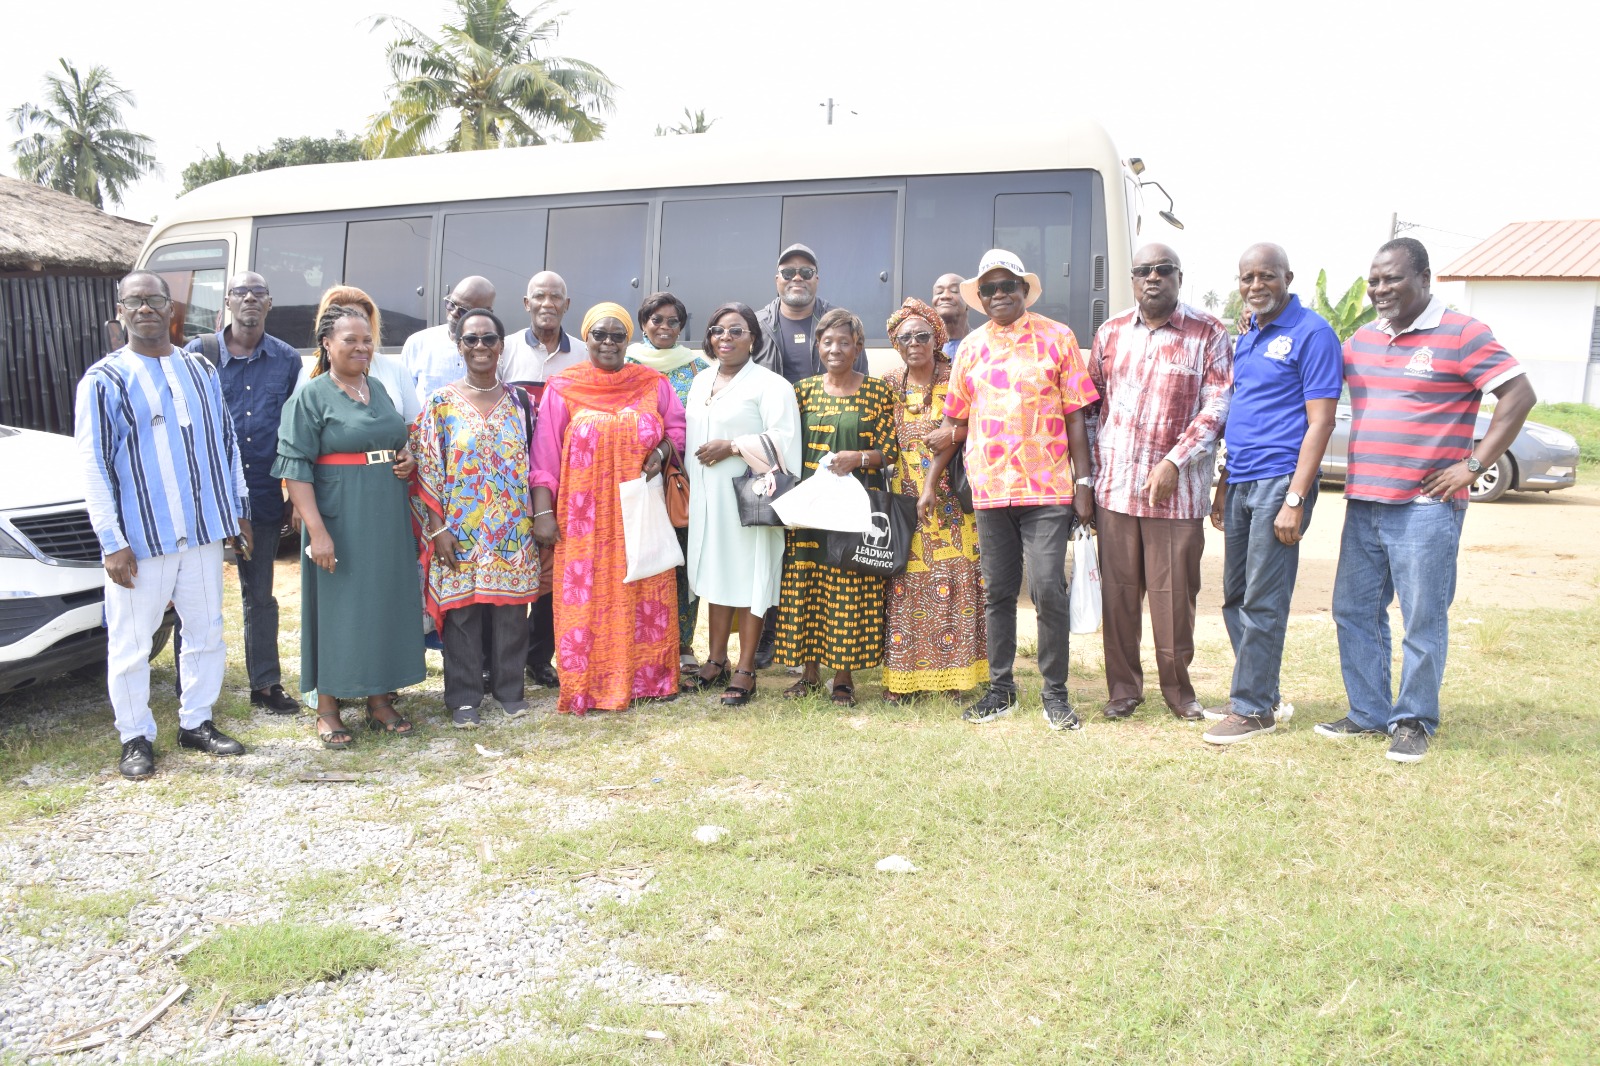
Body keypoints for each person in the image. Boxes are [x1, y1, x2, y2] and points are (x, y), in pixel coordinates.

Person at [1317, 237, 1535, 763]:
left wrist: (1474, 464)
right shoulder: (1363, 338)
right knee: (1354, 610)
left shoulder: (1463, 333)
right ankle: (1368, 713)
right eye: (1373, 281)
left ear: (1425, 278)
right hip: (1364, 500)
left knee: (1422, 617)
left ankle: (1412, 719)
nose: (1379, 289)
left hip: (1425, 507)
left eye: (1391, 279)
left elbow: (1519, 394)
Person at [75, 271, 252, 779]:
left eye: (155, 299)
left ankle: (196, 721)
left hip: (201, 532)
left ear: (171, 307)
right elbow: (93, 465)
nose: (146, 308)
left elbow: (225, 442)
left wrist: (235, 510)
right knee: (131, 644)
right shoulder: (104, 380)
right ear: (120, 312)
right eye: (136, 301)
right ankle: (135, 736)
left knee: (206, 632)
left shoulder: (199, 370)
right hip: (142, 539)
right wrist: (111, 541)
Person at [921, 250, 1097, 731]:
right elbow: (955, 420)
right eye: (990, 289)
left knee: (1047, 589)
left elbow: (1076, 415)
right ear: (980, 297)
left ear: (1024, 290)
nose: (999, 295)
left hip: (1048, 489)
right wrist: (932, 481)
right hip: (990, 490)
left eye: (1007, 286)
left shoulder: (1059, 338)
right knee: (998, 592)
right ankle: (1001, 690)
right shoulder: (971, 348)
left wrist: (1084, 484)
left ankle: (1055, 694)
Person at [1201, 244, 1342, 745]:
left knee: (1263, 598)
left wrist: (1297, 499)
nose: (1255, 285)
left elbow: (1321, 421)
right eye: (1247, 278)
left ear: (1288, 277)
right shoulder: (1250, 337)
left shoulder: (1313, 333)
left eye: (1266, 276)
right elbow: (1242, 414)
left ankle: (1254, 707)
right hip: (1240, 479)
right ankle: (1260, 691)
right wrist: (1222, 486)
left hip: (1281, 481)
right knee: (1235, 597)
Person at [1088, 243, 1232, 724]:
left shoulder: (1208, 332)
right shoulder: (1109, 334)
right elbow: (1092, 412)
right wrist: (1087, 481)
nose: (1153, 277)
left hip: (1178, 496)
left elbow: (1217, 406)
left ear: (1179, 277)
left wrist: (1174, 460)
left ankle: (1178, 691)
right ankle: (1123, 690)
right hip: (1115, 491)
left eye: (1162, 270)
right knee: (1119, 598)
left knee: (1175, 602)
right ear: (1133, 280)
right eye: (1143, 271)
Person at [273, 304, 426, 748]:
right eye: (350, 340)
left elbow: (397, 439)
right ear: (327, 343)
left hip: (385, 509)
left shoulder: (376, 387)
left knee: (381, 599)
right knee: (337, 605)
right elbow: (295, 467)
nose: (361, 347)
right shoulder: (312, 395)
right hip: (339, 511)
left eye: (366, 340)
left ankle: (379, 698)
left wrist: (407, 457)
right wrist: (317, 532)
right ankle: (328, 706)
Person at [530, 302, 686, 714]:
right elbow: (544, 456)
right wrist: (543, 513)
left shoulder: (652, 383)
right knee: (586, 599)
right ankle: (588, 683)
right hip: (583, 517)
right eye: (600, 334)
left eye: (618, 335)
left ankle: (650, 680)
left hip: (640, 510)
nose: (609, 342)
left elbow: (677, 428)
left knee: (644, 588)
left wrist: (664, 449)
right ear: (587, 338)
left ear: (628, 339)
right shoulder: (563, 387)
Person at [179, 271, 301, 715]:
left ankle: (265, 684)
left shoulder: (287, 359)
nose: (250, 299)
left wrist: (293, 494)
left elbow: (294, 431)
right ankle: (190, 689)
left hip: (264, 496)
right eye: (241, 293)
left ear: (269, 304)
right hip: (208, 498)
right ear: (227, 302)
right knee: (196, 595)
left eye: (259, 293)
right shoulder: (199, 354)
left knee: (261, 595)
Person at [411, 309, 540, 728]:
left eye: (489, 339)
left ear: (502, 345)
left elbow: (538, 463)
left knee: (510, 612)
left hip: (511, 528)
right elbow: (428, 468)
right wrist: (439, 529)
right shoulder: (441, 404)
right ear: (459, 346)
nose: (481, 347)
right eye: (471, 340)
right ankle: (463, 696)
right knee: (462, 611)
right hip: (459, 529)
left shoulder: (522, 402)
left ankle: (509, 690)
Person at [774, 308, 897, 706]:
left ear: (858, 347)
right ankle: (808, 673)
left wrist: (858, 459)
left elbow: (890, 452)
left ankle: (842, 676)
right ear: (817, 346)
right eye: (828, 341)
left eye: (845, 342)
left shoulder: (878, 391)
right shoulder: (802, 391)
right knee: (805, 584)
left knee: (846, 584)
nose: (835, 349)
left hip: (855, 508)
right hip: (811, 507)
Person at [683, 302, 801, 705]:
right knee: (717, 575)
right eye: (718, 331)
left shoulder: (771, 385)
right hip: (708, 499)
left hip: (751, 501)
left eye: (736, 331)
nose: (726, 338)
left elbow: (785, 442)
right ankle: (715, 661)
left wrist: (732, 446)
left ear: (753, 338)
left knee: (751, 579)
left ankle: (746, 668)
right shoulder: (701, 382)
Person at [882, 298, 987, 701]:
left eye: (922, 335)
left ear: (936, 337)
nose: (914, 343)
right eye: (905, 337)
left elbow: (980, 422)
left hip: (952, 503)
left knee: (957, 583)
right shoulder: (891, 382)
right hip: (907, 501)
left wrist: (954, 435)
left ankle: (956, 679)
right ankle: (908, 679)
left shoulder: (955, 375)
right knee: (908, 587)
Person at [500, 270, 584, 690]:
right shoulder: (504, 350)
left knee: (554, 573)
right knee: (513, 569)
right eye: (539, 296)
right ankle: (502, 660)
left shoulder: (585, 354)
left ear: (567, 306)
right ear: (526, 303)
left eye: (556, 296)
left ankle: (539, 657)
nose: (547, 303)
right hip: (507, 480)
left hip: (563, 479)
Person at [626, 291, 709, 672]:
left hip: (683, 479)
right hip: (635, 479)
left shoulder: (698, 368)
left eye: (673, 321)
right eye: (656, 319)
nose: (664, 327)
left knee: (683, 562)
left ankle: (684, 645)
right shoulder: (624, 361)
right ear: (643, 323)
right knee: (640, 561)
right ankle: (640, 643)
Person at [300, 286, 422, 427]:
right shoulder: (309, 374)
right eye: (347, 318)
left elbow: (415, 428)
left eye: (361, 318)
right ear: (327, 338)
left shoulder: (395, 369)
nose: (356, 324)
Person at [753, 243, 867, 383]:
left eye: (806, 272)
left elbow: (861, 378)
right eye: (788, 273)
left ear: (816, 280)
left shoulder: (843, 323)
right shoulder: (756, 325)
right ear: (777, 280)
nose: (797, 278)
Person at [402, 275, 495, 405]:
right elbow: (402, 400)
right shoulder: (418, 343)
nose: (453, 313)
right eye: (451, 304)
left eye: (463, 311)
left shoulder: (493, 352)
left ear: (486, 313)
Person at [931, 273, 971, 359]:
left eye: (954, 291)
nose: (945, 296)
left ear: (968, 301)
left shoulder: (982, 342)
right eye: (939, 292)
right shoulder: (927, 347)